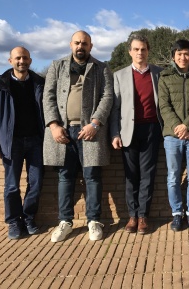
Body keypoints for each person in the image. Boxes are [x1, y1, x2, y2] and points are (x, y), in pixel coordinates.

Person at [43, 30, 113, 242]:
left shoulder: (102, 68)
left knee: (92, 177)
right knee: (65, 177)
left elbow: (107, 96)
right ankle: (65, 221)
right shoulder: (57, 66)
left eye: (84, 43)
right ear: (70, 44)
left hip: (90, 132)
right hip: (63, 131)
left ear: (90, 46)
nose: (80, 46)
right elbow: (48, 95)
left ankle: (94, 221)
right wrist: (54, 125)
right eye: (77, 43)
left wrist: (95, 123)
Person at [0, 46, 45, 239]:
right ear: (10, 61)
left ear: (30, 60)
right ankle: (13, 222)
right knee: (11, 186)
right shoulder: (0, 85)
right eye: (18, 58)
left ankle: (28, 218)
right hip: (11, 143)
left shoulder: (39, 83)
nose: (22, 61)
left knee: (35, 184)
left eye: (25, 58)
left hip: (36, 141)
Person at [110, 34, 163, 235]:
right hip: (127, 132)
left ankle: (143, 217)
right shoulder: (119, 75)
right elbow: (115, 109)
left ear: (148, 51)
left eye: (143, 49)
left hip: (151, 130)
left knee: (147, 175)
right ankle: (132, 215)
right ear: (130, 51)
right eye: (136, 49)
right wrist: (114, 133)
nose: (140, 52)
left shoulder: (159, 73)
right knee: (131, 176)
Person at [158, 39, 189, 232]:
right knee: (173, 177)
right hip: (172, 136)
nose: (183, 57)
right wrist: (178, 127)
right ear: (173, 57)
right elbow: (164, 105)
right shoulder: (165, 77)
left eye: (186, 53)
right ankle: (177, 214)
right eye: (179, 54)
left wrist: (187, 126)